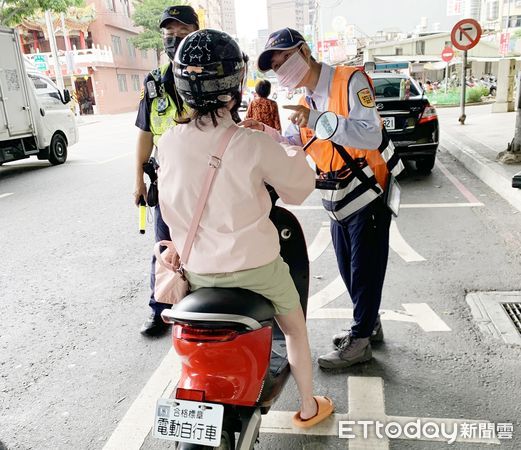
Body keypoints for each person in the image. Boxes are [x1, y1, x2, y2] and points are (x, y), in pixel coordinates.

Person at [157, 29, 334, 428]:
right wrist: (274, 139)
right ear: (236, 85)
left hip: (198, 273)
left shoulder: (167, 142)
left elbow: (168, 206)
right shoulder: (251, 142)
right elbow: (301, 187)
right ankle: (307, 407)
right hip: (259, 271)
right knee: (294, 330)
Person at [243, 27, 404, 369]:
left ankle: (360, 340)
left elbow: (370, 134)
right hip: (335, 198)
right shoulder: (302, 102)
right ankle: (368, 323)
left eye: (284, 58)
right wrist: (265, 133)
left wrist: (319, 120)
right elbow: (295, 142)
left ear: (304, 51)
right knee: (348, 270)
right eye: (275, 64)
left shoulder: (350, 81)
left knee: (364, 270)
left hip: (366, 192)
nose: (281, 67)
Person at [133, 5, 199, 337]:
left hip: (205, 179)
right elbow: (145, 132)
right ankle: (160, 309)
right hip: (166, 180)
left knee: (204, 244)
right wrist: (138, 182)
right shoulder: (155, 81)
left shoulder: (211, 71)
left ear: (196, 34)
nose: (173, 40)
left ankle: (200, 305)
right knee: (164, 246)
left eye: (181, 34)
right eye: (168, 35)